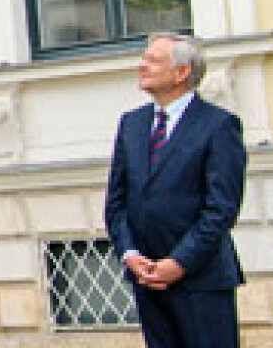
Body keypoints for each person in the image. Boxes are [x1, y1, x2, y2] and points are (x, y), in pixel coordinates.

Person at [104, 33, 246, 347]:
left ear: (182, 73)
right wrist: (130, 254)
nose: (142, 65)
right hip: (147, 278)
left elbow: (221, 208)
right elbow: (117, 202)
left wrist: (179, 262)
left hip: (201, 281)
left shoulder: (219, 125)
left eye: (153, 60)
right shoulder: (132, 124)